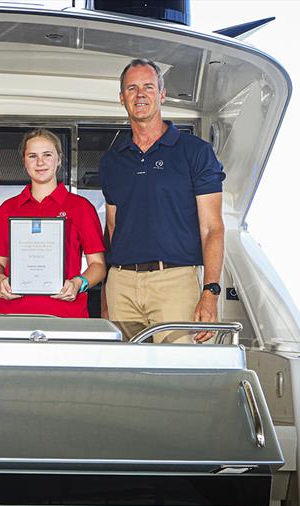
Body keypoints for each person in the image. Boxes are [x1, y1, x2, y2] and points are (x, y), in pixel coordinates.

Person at [99, 59, 225, 343]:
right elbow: (112, 229)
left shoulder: (195, 152)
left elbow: (212, 229)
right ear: (122, 98)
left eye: (148, 87)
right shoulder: (112, 160)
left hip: (174, 281)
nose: (140, 94)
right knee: (125, 379)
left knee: (175, 378)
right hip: (122, 285)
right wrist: (107, 293)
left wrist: (210, 292)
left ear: (162, 94)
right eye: (132, 88)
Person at [0, 129, 105, 318]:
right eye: (32, 156)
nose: (40, 162)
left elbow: (98, 265)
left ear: (59, 159)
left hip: (65, 314)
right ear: (24, 161)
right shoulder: (7, 209)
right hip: (13, 314)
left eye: (47, 155)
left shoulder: (81, 208)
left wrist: (79, 283)